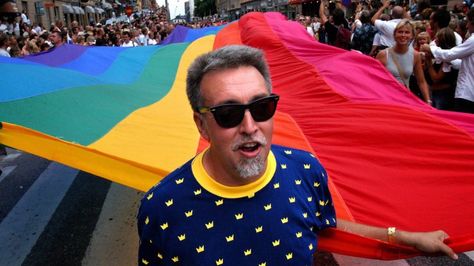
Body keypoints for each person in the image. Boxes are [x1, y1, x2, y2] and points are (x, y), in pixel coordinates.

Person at [137, 45, 457, 265]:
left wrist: (405, 237)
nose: (250, 126)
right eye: (229, 114)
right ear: (202, 124)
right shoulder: (162, 207)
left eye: (261, 107)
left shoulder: (305, 169)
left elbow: (325, 225)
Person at [422, 7, 474, 113]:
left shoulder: (471, 40)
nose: (467, 26)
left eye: (468, 22)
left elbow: (451, 54)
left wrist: (431, 49)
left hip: (466, 93)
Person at [376, 20, 432, 104]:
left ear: (412, 36)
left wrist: (428, 100)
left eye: (407, 32)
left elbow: (421, 81)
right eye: (400, 32)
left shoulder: (415, 55)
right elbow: (375, 80)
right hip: (386, 99)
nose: (403, 35)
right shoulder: (383, 54)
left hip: (403, 100)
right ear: (394, 35)